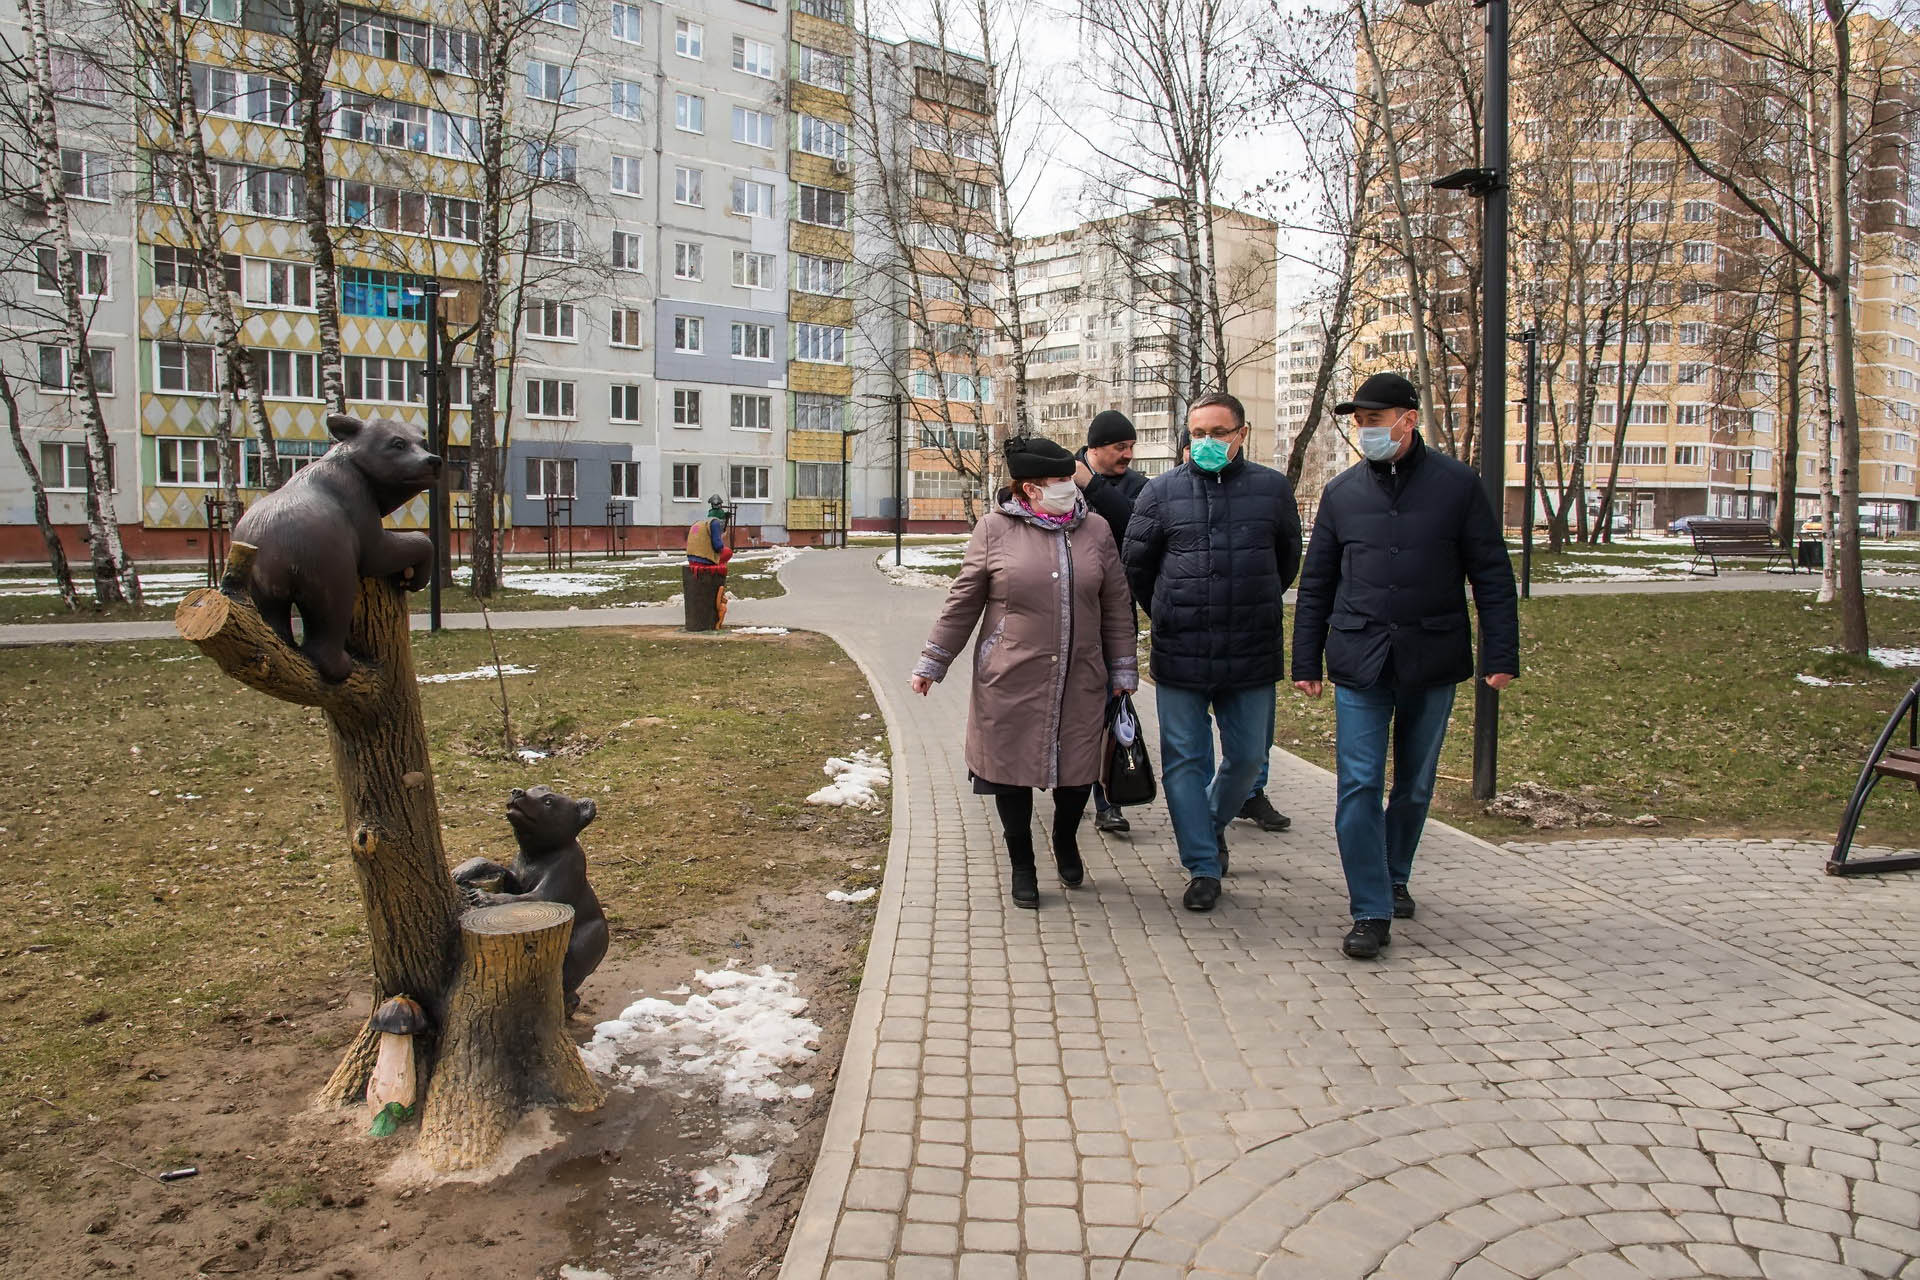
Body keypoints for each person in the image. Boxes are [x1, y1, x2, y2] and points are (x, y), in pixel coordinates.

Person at [1290, 372, 1519, 959]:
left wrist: (1501, 653)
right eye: (1359, 422)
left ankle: (1395, 872)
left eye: (1374, 419)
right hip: (1359, 659)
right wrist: (1304, 658)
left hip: (1432, 656)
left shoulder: (1458, 486)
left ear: (1408, 419)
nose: (1365, 430)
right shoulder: (1343, 494)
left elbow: (1491, 574)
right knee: (1359, 783)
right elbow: (1315, 584)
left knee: (1414, 785)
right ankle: (1370, 907)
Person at [911, 437, 1139, 909]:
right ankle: (1022, 863)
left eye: (1070, 481)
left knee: (1078, 772)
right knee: (1009, 773)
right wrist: (933, 662)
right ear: (1030, 489)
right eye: (1059, 482)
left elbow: (1116, 603)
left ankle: (1064, 840)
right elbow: (964, 601)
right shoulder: (994, 529)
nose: (1069, 489)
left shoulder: (1095, 530)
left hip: (1082, 675)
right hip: (1010, 674)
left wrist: (1122, 668)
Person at [1123, 392, 1303, 913]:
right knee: (1185, 761)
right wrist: (1172, 608)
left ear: (1242, 435)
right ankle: (1202, 864)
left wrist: (1252, 600)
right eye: (1197, 433)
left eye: (1218, 433)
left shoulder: (1271, 490)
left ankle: (1212, 820)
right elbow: (1137, 567)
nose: (1206, 442)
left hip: (1250, 649)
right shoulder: (1160, 493)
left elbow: (1286, 561)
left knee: (1248, 757)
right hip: (1181, 649)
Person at [1074, 409, 1148, 835]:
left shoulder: (1139, 487)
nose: (1129, 455)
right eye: (1121, 447)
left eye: (1132, 446)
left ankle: (1108, 801)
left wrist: (1093, 485)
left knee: (1109, 704)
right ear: (1095, 447)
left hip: (1114, 614)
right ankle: (1066, 784)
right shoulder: (1062, 475)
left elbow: (1136, 523)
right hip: (1068, 610)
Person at [685, 497, 733, 629]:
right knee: (728, 552)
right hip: (704, 560)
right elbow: (718, 546)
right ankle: (715, 566)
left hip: (691, 558)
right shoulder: (715, 523)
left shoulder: (700, 523)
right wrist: (722, 539)